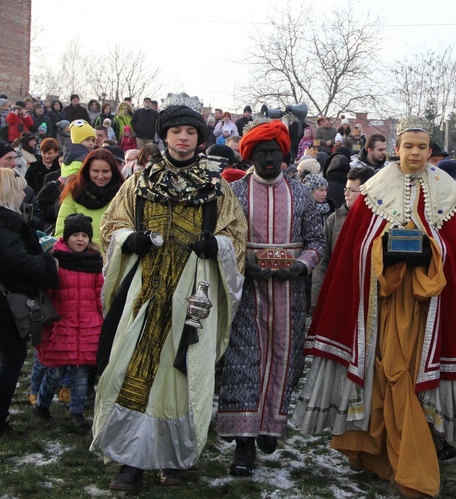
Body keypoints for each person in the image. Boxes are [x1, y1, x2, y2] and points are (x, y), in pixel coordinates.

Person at [292, 117, 456, 498]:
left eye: (422, 147)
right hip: (380, 308)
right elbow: (354, 252)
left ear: (431, 151)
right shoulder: (375, 190)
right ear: (397, 148)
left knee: (409, 378)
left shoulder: (450, 193)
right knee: (386, 375)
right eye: (408, 146)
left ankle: (408, 458)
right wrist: (385, 252)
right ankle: (382, 454)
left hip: (428, 310)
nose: (414, 153)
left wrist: (430, 250)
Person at [90, 105, 247, 491]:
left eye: (190, 133)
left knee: (181, 375)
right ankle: (129, 462)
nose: (183, 138)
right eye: (176, 131)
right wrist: (131, 240)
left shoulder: (217, 188)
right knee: (132, 370)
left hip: (190, 295)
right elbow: (112, 225)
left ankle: (171, 460)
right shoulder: (140, 183)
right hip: (145, 294)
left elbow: (237, 236)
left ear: (199, 138)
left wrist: (217, 245)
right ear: (164, 136)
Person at [216, 118, 325, 476]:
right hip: (247, 293)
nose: (267, 158)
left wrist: (302, 266)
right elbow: (225, 239)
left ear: (283, 154)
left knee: (284, 360)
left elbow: (317, 241)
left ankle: (270, 425)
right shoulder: (234, 194)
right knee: (244, 363)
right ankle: (244, 444)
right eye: (260, 151)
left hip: (289, 294)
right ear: (249, 155)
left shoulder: (301, 193)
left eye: (273, 152)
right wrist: (245, 265)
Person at [0, 168, 59, 435]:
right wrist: (46, 263)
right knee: (11, 359)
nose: (25, 193)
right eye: (21, 188)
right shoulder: (6, 223)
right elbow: (18, 262)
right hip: (7, 301)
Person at [33, 213, 103, 430]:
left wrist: (102, 318)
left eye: (84, 235)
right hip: (62, 324)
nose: (80, 239)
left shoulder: (94, 262)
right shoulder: (57, 260)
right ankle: (42, 404)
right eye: (75, 235)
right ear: (66, 237)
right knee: (56, 371)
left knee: (82, 374)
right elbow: (49, 292)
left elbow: (99, 293)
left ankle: (77, 413)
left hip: (88, 325)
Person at [310, 166, 375, 314]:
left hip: (367, 299)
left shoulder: (378, 221)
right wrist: (317, 302)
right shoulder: (335, 219)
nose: (345, 194)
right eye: (346, 189)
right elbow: (322, 262)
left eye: (351, 190)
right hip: (338, 295)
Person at [54, 148, 125, 247]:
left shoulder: (123, 195)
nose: (100, 176)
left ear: (113, 172)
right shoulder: (75, 192)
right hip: (82, 259)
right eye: (95, 171)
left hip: (115, 258)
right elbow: (61, 232)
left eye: (105, 171)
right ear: (87, 171)